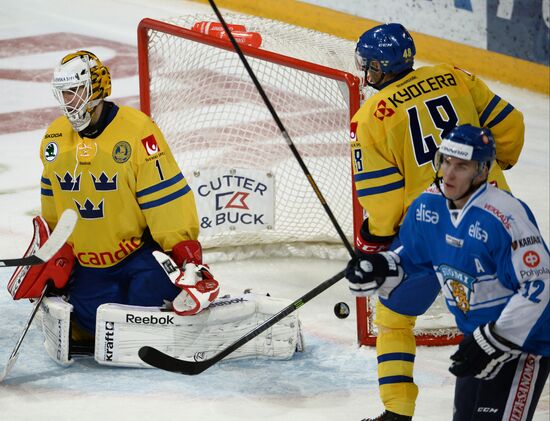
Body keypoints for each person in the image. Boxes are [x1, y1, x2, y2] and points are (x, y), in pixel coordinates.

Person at [350, 23, 525, 420]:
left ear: (378, 65)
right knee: (506, 311)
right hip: (493, 217)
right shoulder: (454, 75)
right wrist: (498, 168)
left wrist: (375, 236)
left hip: (429, 229)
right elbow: (510, 125)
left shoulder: (371, 119)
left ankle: (397, 412)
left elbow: (382, 198)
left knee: (394, 320)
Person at [9, 50, 219, 343]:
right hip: (89, 265)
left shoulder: (137, 131)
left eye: (76, 92)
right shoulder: (54, 138)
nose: (70, 102)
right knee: (95, 328)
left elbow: (165, 198)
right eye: (64, 94)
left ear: (97, 88)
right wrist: (53, 254)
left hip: (138, 256)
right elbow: (52, 208)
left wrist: (187, 256)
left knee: (151, 309)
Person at [346, 124, 549, 421]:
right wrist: (379, 267)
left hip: (523, 346)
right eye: (446, 161)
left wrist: (496, 338)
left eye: (462, 166)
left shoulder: (506, 216)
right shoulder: (428, 207)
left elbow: (540, 286)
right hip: (476, 341)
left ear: (481, 171)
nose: (449, 174)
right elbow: (412, 258)